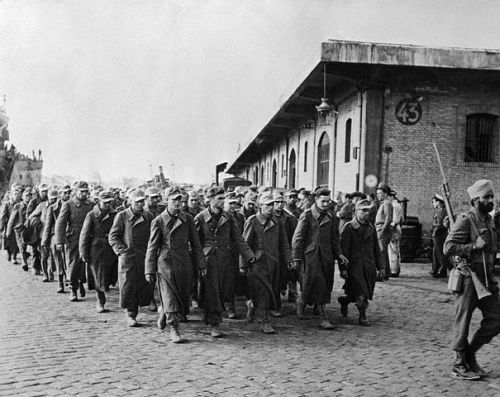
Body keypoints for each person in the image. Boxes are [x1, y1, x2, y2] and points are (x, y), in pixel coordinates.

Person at [444, 179, 500, 380]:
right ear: (475, 200)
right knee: (463, 321)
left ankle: (470, 353)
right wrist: (473, 247)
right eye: (486, 197)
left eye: (492, 196)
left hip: (487, 280)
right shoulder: (466, 220)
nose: (491, 200)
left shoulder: (488, 220)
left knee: (496, 319)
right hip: (469, 279)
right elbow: (448, 247)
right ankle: (458, 364)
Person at [144, 186, 206, 343]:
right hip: (165, 263)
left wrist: (201, 264)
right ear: (166, 201)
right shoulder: (158, 221)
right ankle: (174, 328)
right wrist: (149, 269)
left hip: (184, 262)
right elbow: (152, 247)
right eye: (174, 199)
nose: (178, 202)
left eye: (180, 199)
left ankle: (165, 312)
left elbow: (196, 243)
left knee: (182, 296)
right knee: (169, 295)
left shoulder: (188, 219)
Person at [194, 186, 255, 337]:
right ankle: (215, 324)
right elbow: (195, 243)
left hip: (225, 259)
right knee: (211, 291)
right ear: (210, 199)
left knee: (223, 291)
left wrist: (249, 255)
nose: (223, 201)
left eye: (223, 198)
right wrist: (199, 262)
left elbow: (238, 238)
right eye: (220, 198)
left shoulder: (228, 217)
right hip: (208, 261)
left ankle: (210, 315)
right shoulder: (200, 218)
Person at [292, 187, 348, 330]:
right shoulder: (307, 216)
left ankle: (302, 302)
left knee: (322, 284)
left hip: (327, 257)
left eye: (328, 201)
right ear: (316, 200)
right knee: (317, 284)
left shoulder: (332, 217)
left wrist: (340, 254)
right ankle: (323, 318)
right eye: (323, 201)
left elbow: (335, 239)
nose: (326, 204)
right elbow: (297, 239)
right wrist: (296, 259)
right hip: (311, 256)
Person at [240, 192, 291, 334]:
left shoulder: (277, 222)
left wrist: (288, 259)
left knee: (272, 290)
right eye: (267, 205)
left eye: (272, 204)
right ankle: (265, 321)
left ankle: (251, 304)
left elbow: (284, 243)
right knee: (264, 292)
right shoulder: (252, 221)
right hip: (257, 263)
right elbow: (244, 245)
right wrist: (243, 265)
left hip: (274, 262)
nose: (271, 208)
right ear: (260, 206)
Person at [109, 189, 155, 327]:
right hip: (128, 257)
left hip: (143, 256)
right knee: (128, 286)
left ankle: (138, 309)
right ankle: (131, 314)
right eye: (137, 202)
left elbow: (153, 236)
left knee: (143, 285)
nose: (140, 204)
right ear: (130, 201)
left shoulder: (149, 216)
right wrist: (122, 251)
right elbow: (113, 236)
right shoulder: (122, 216)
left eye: (142, 201)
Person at [339, 199, 384, 326]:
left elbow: (376, 248)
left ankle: (344, 301)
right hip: (354, 267)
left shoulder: (371, 227)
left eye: (368, 211)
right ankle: (362, 315)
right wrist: (343, 269)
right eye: (363, 211)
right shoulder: (349, 227)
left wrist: (380, 266)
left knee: (359, 292)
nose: (366, 214)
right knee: (361, 293)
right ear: (355, 211)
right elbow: (343, 251)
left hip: (368, 266)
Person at [79, 190, 118, 313]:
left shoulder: (116, 214)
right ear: (99, 201)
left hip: (111, 248)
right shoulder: (91, 215)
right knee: (97, 275)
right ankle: (100, 301)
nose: (108, 205)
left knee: (110, 274)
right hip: (96, 249)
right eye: (105, 202)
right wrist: (83, 252)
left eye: (110, 202)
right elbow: (84, 234)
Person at [54, 181, 93, 301]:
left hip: (88, 238)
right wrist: (59, 241)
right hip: (73, 239)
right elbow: (60, 224)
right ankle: (72, 288)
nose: (84, 194)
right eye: (82, 191)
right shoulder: (68, 204)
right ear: (75, 191)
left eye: (86, 191)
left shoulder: (91, 205)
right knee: (73, 264)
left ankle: (81, 282)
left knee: (84, 264)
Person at [42, 185, 71, 293]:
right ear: (60, 194)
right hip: (55, 236)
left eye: (69, 192)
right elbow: (48, 226)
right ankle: (60, 283)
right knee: (58, 260)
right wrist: (44, 242)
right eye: (65, 193)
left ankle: (72, 280)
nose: (67, 195)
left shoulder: (73, 205)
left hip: (69, 236)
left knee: (69, 260)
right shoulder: (52, 208)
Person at [273, 191, 298, 308]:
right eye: (277, 202)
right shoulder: (268, 217)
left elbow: (295, 236)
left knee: (290, 272)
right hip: (272, 250)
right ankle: (275, 298)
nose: (279, 204)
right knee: (275, 275)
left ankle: (292, 292)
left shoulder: (290, 219)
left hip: (286, 249)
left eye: (282, 202)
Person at [29, 188, 58, 281]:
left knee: (54, 255)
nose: (53, 200)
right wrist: (39, 223)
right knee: (44, 255)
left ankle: (50, 272)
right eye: (52, 198)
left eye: (55, 198)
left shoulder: (58, 207)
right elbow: (31, 216)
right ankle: (45, 274)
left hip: (54, 233)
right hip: (43, 234)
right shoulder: (42, 206)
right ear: (48, 198)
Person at [6, 187, 33, 271]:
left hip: (30, 229)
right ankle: (24, 263)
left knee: (29, 246)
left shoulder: (33, 206)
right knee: (21, 246)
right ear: (23, 197)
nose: (28, 197)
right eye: (26, 196)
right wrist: (8, 231)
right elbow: (12, 219)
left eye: (29, 196)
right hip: (19, 229)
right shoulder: (18, 206)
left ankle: (32, 263)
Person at [375, 183, 393, 280]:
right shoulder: (384, 203)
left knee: (382, 252)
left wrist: (382, 231)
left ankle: (383, 274)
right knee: (383, 252)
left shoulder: (387, 204)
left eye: (381, 193)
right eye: (377, 193)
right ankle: (386, 273)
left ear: (386, 194)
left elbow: (388, 219)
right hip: (381, 229)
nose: (379, 195)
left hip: (383, 230)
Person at [430, 193, 449, 278]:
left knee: (440, 253)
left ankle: (442, 271)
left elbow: (440, 224)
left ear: (439, 202)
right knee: (435, 252)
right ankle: (435, 269)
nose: (433, 204)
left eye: (434, 202)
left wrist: (435, 229)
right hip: (437, 233)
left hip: (439, 234)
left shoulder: (442, 211)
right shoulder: (439, 210)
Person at [0, 187, 20, 264]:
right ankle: (9, 254)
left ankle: (14, 257)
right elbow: (3, 216)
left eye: (18, 194)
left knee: (15, 242)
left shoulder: (20, 204)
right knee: (7, 241)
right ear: (12, 195)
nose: (17, 196)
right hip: (7, 224)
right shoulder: (7, 204)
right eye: (15, 194)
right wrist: (1, 226)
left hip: (17, 225)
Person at [387, 190, 403, 277]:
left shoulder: (394, 205)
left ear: (391, 197)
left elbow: (395, 220)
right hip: (397, 229)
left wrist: (389, 228)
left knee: (393, 250)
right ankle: (396, 269)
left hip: (394, 230)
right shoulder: (398, 205)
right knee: (395, 250)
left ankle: (393, 270)